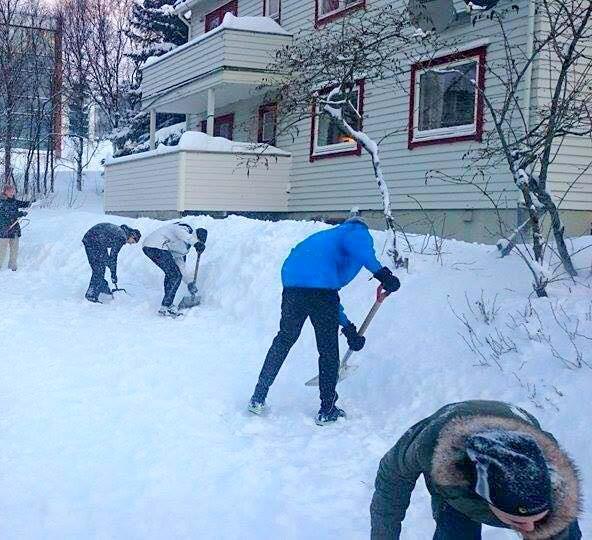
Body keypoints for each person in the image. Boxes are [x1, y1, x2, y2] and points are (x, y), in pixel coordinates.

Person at [248, 215, 400, 424]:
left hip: (293, 286)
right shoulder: (356, 231)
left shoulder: (327, 239)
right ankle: (327, 409)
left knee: (284, 339)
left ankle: (258, 396)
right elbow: (326, 292)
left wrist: (348, 328)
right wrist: (384, 275)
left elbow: (326, 295)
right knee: (328, 349)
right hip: (319, 290)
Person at [370, 400, 581, 540]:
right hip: (453, 445)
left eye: (536, 518)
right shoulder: (431, 448)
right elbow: (391, 484)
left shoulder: (557, 485)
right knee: (456, 530)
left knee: (556, 531)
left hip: (515, 424)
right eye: (517, 521)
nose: (528, 529)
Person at [142, 222, 207, 317]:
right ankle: (166, 306)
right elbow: (178, 231)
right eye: (198, 241)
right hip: (155, 245)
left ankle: (167, 305)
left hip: (156, 248)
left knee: (172, 274)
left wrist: (189, 282)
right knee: (175, 275)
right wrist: (195, 243)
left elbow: (180, 265)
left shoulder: (184, 247)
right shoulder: (187, 229)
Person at [81, 223, 142, 303]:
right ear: (132, 236)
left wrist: (110, 264)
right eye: (132, 242)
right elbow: (113, 256)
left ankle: (102, 287)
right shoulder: (121, 237)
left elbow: (109, 257)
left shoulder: (120, 232)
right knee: (98, 269)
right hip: (93, 241)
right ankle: (91, 294)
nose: (130, 244)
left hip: (96, 241)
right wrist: (113, 274)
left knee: (101, 266)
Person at [0, 183, 31, 272]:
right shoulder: (3, 202)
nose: (12, 192)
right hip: (6, 228)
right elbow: (9, 213)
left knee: (15, 249)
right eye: (10, 191)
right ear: (5, 192)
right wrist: (21, 213)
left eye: (13, 191)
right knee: (2, 249)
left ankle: (12, 266)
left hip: (15, 228)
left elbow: (22, 204)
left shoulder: (14, 201)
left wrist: (29, 203)